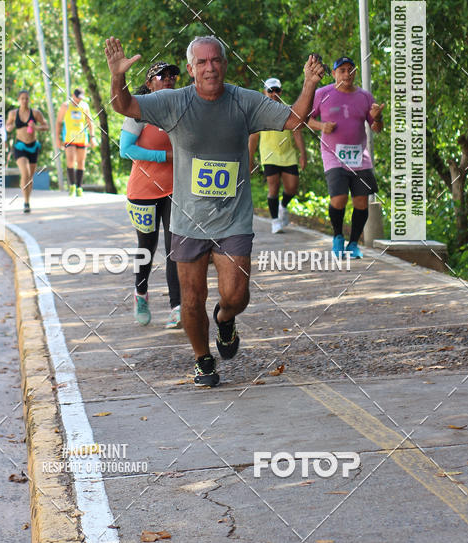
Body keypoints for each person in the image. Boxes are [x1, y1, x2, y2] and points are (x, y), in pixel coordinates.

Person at [105, 34, 324, 387]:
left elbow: (294, 120)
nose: (210, 67)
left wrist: (310, 83)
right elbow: (124, 106)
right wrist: (118, 75)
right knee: (191, 301)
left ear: (224, 64)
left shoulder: (244, 101)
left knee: (236, 295)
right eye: (202, 62)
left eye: (216, 60)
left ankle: (225, 319)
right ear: (191, 70)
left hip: (232, 219)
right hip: (187, 221)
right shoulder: (173, 101)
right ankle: (202, 359)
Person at [119, 61, 182, 330]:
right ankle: (141, 294)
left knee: (174, 249)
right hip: (143, 192)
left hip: (174, 190)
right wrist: (163, 156)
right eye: (162, 75)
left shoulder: (181, 108)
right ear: (149, 82)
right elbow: (125, 149)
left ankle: (177, 308)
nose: (168, 79)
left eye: (172, 76)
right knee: (147, 247)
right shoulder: (138, 110)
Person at [307, 56, 384, 258]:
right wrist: (322, 126)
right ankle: (338, 236)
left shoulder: (365, 96)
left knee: (361, 202)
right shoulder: (322, 94)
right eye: (342, 70)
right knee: (339, 198)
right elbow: (306, 118)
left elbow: (377, 128)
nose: (347, 74)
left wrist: (378, 117)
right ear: (333, 74)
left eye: (350, 69)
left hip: (359, 155)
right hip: (333, 154)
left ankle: (353, 244)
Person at [248, 77, 307, 234]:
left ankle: (283, 206)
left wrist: (303, 155)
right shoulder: (259, 113)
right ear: (264, 92)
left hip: (288, 155)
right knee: (273, 186)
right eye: (270, 91)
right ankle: (275, 221)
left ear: (281, 92)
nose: (274, 94)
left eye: (277, 91)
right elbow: (253, 138)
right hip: (269, 156)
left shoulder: (289, 110)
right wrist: (250, 159)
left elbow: (297, 134)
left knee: (292, 188)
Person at [5, 90, 49, 213]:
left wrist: (36, 127)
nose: (24, 101)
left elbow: (46, 126)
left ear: (29, 99)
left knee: (30, 177)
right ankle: (25, 202)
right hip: (20, 146)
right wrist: (10, 127)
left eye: (26, 98)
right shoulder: (13, 113)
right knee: (25, 172)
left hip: (33, 147)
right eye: (22, 98)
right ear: (19, 99)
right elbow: (7, 127)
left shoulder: (35, 113)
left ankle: (27, 200)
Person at [56, 87, 96, 195]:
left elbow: (89, 122)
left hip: (82, 137)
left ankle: (79, 187)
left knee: (81, 162)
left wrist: (92, 137)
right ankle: (72, 185)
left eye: (81, 98)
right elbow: (59, 122)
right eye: (78, 98)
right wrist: (57, 138)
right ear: (73, 96)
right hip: (69, 138)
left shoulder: (84, 106)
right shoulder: (65, 106)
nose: (79, 100)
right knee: (70, 160)